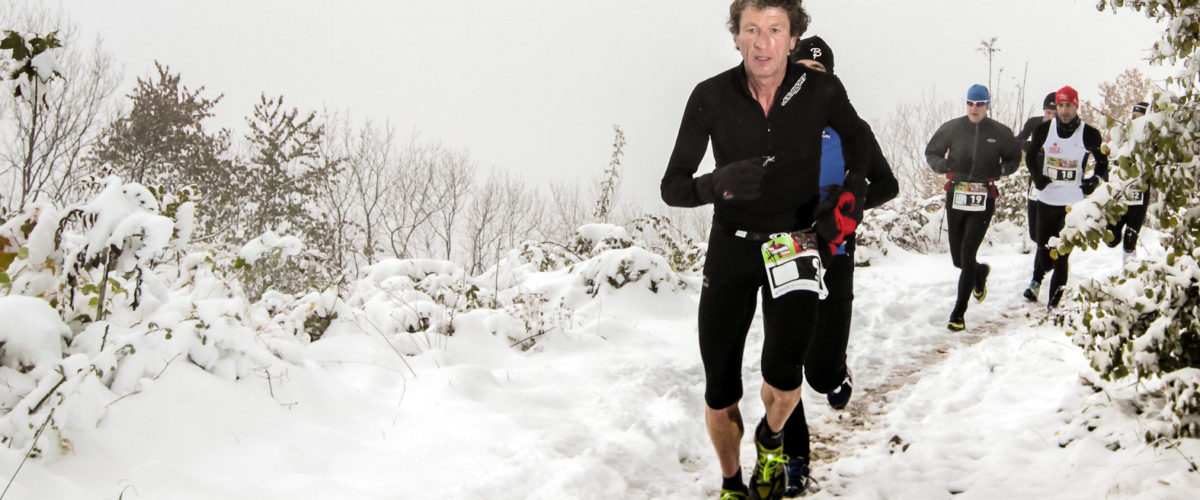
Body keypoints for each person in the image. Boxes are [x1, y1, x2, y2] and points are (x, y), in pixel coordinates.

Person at [660, 2, 872, 499]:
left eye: (775, 30)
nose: (762, 41)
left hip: (794, 242)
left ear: (793, 39)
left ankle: (772, 439)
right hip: (731, 247)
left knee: (784, 378)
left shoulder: (821, 90)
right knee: (720, 390)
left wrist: (852, 194)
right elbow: (672, 186)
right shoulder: (709, 96)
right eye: (751, 29)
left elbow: (858, 139)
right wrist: (715, 182)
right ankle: (733, 482)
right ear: (735, 36)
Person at [779, 35, 898, 498]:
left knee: (820, 372)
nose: (809, 78)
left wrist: (848, 207)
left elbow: (887, 184)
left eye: (818, 72)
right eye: (802, 69)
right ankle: (795, 460)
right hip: (787, 256)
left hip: (837, 256)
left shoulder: (854, 131)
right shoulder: (773, 125)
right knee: (784, 365)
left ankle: (836, 372)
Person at [924, 84, 1022, 331]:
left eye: (979, 104)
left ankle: (958, 313)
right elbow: (932, 152)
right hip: (956, 195)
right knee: (959, 259)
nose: (974, 108)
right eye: (970, 103)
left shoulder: (999, 132)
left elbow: (1014, 157)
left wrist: (1001, 170)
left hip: (983, 197)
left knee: (967, 255)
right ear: (965, 103)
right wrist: (942, 165)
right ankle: (980, 272)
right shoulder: (952, 128)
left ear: (987, 105)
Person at [1023, 85, 1109, 310]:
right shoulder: (1044, 131)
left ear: (1076, 105)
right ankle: (1038, 278)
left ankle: (1053, 306)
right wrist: (1037, 176)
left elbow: (1102, 162)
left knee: (1062, 255)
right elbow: (1030, 156)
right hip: (1047, 200)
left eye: (1068, 105)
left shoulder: (1089, 134)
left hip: (1072, 205)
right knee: (1043, 250)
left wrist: (1093, 180)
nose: (1063, 110)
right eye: (1060, 105)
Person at [1104, 101, 1150, 265]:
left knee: (1130, 240)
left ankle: (1129, 274)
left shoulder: (1152, 138)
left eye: (1141, 117)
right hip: (1120, 194)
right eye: (1134, 117)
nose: (1137, 121)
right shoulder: (1122, 135)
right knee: (1111, 240)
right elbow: (1107, 151)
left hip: (1139, 194)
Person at [1017, 92, 1058, 243]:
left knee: (1053, 228)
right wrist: (1030, 146)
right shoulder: (1034, 123)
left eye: (1055, 114)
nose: (1051, 117)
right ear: (1043, 111)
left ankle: (1051, 257)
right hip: (1036, 177)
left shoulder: (1065, 126)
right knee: (1034, 232)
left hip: (1056, 179)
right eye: (1048, 113)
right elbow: (1018, 140)